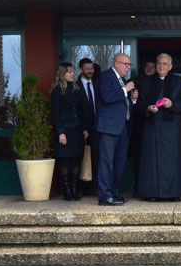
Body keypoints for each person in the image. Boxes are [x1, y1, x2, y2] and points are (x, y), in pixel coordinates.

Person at [136, 54, 181, 201]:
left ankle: (173, 193)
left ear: (171, 67)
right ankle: (152, 193)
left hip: (171, 128)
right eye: (159, 63)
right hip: (152, 127)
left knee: (172, 162)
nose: (161, 66)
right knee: (151, 162)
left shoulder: (178, 81)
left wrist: (172, 104)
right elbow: (140, 104)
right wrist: (148, 108)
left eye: (165, 64)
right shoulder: (147, 81)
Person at [95, 53, 135, 206]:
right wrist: (125, 90)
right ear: (117, 63)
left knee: (120, 162)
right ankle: (104, 196)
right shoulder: (106, 77)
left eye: (129, 65)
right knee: (106, 162)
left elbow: (121, 104)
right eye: (126, 64)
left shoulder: (122, 80)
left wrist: (132, 99)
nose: (128, 67)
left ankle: (114, 193)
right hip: (108, 128)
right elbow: (107, 97)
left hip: (122, 127)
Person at [51, 62, 88, 201]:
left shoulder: (77, 88)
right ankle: (66, 190)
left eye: (73, 71)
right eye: (69, 72)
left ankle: (74, 189)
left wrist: (84, 128)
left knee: (77, 159)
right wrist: (60, 132)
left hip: (77, 129)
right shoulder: (57, 90)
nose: (72, 74)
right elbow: (55, 113)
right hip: (65, 130)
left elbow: (82, 110)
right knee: (66, 161)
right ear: (62, 74)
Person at [77, 58, 101, 196]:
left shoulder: (97, 84)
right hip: (83, 129)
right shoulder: (76, 86)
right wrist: (83, 128)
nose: (90, 71)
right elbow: (77, 109)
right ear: (81, 69)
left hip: (97, 127)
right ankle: (81, 189)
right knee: (82, 158)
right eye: (87, 69)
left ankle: (94, 188)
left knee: (96, 158)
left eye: (91, 68)